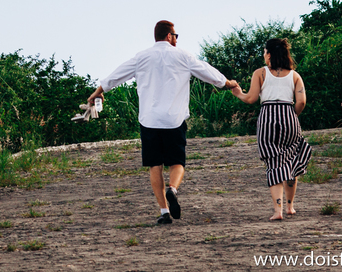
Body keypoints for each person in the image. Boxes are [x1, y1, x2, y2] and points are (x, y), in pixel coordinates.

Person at [87, 20, 239, 226]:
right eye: (176, 35)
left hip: (149, 120)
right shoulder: (183, 55)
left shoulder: (142, 57)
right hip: (173, 120)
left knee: (154, 166)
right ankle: (173, 189)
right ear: (169, 36)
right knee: (177, 163)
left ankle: (164, 211)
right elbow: (207, 71)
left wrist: (97, 93)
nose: (176, 39)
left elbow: (116, 75)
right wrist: (227, 83)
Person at [231, 37, 311, 220]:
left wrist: (238, 94)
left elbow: (250, 99)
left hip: (268, 117)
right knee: (290, 160)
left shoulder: (260, 73)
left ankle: (278, 211)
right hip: (289, 116)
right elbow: (302, 102)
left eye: (264, 52)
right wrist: (293, 116)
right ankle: (290, 207)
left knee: (274, 163)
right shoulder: (295, 76)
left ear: (269, 54)